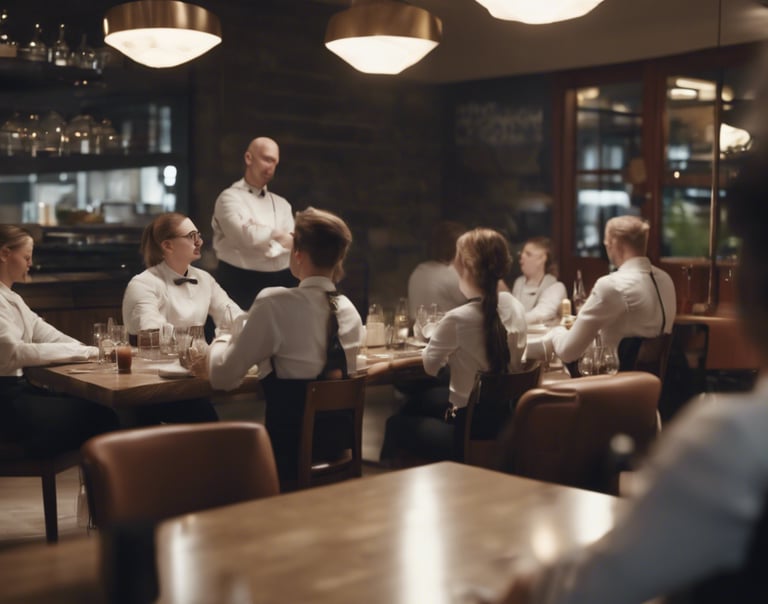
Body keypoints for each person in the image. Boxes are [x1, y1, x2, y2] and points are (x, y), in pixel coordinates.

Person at [491, 146, 768, 604]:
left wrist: (553, 335)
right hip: (652, 393)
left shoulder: (732, 441)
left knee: (531, 410)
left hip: (609, 393)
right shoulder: (664, 280)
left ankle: (523, 509)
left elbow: (571, 349)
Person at [201, 207, 363, 482]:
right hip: (336, 449)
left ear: (297, 253)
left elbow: (222, 377)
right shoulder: (349, 310)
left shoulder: (274, 303)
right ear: (339, 257)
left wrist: (224, 336)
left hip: (284, 457)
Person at [376, 228, 527, 463]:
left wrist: (439, 338)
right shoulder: (515, 306)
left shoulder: (458, 318)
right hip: (506, 428)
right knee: (420, 403)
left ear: (465, 266)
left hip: (465, 435)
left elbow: (430, 367)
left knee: (396, 424)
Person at [0, 225, 119, 456]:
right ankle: (107, 480)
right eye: (26, 257)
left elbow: (45, 333)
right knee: (103, 417)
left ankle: (101, 480)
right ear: (5, 254)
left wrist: (89, 349)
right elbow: (14, 353)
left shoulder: (11, 297)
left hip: (18, 394)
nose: (30, 264)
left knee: (102, 410)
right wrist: (87, 353)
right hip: (7, 406)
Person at [122, 212, 245, 424]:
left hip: (190, 377)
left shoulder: (204, 279)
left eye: (198, 235)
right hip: (150, 384)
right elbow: (152, 332)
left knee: (208, 418)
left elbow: (232, 314)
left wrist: (253, 331)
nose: (199, 242)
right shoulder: (143, 283)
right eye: (191, 236)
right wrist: (201, 348)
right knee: (205, 419)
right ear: (167, 246)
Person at [529, 215, 676, 364]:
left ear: (614, 244)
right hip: (653, 378)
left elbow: (567, 352)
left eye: (606, 244)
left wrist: (557, 331)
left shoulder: (612, 285)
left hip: (610, 376)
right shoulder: (666, 280)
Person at [211, 136, 296, 310]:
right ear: (249, 158)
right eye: (266, 159)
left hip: (281, 282)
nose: (271, 167)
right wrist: (278, 236)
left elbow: (293, 243)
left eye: (275, 162)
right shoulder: (228, 198)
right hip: (239, 283)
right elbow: (245, 238)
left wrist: (262, 233)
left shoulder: (282, 204)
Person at [407, 220, 468, 317]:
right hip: (445, 326)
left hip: (418, 326)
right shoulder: (451, 273)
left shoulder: (419, 270)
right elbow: (475, 299)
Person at [511, 236, 567, 325]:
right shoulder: (519, 282)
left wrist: (510, 321)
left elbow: (540, 314)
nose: (521, 257)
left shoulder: (556, 287)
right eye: (522, 253)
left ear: (542, 258)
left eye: (528, 254)